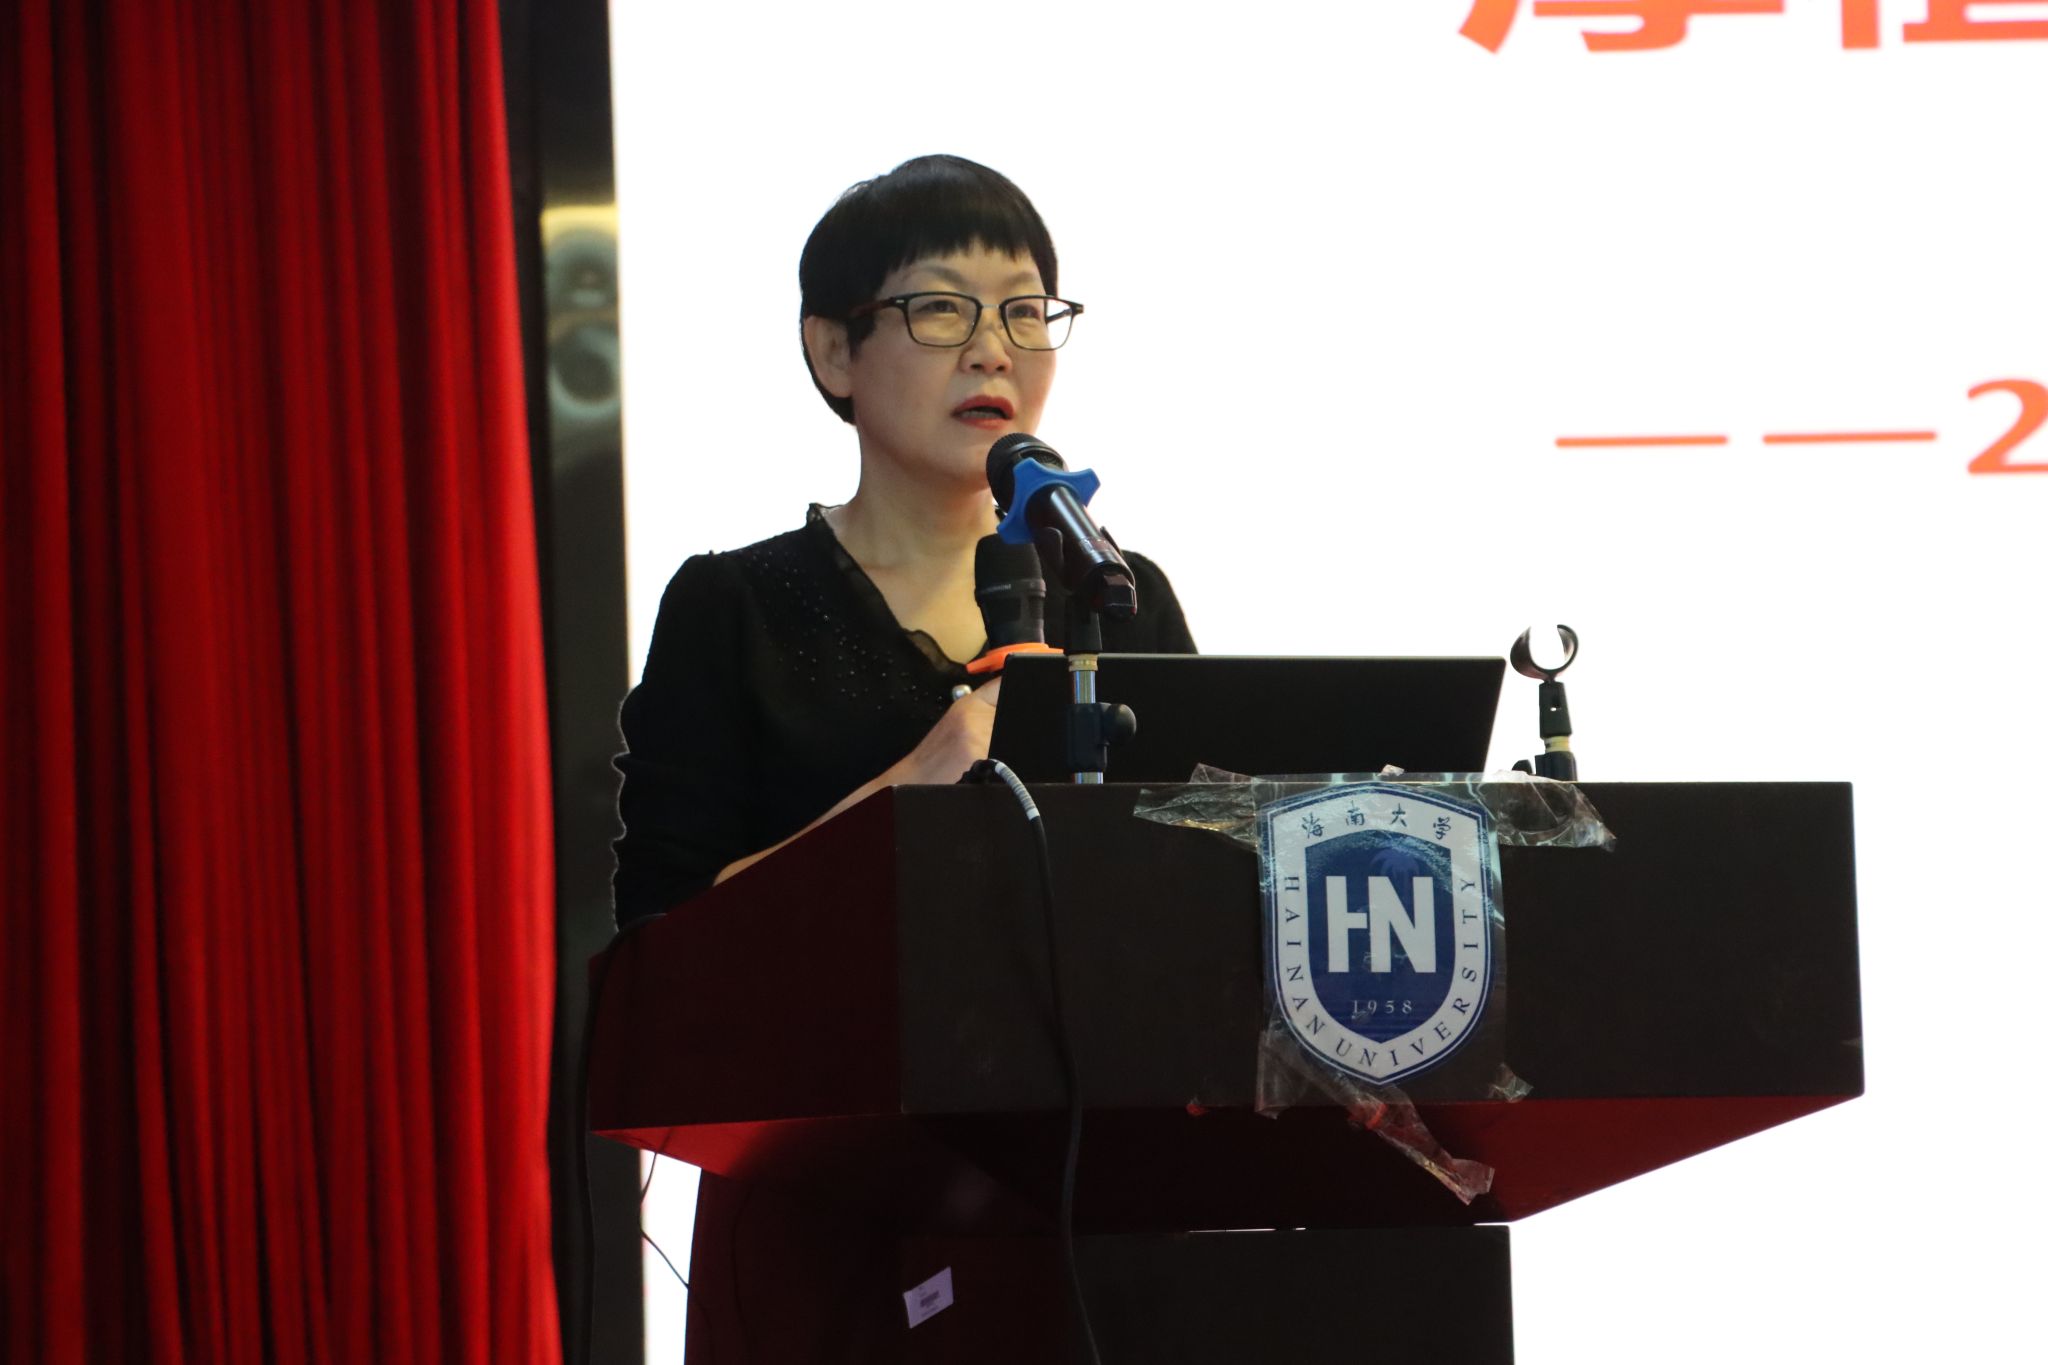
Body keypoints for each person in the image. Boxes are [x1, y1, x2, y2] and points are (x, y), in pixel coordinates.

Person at [611, 154, 1195, 926]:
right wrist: (917, 779)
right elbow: (659, 936)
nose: (994, 350)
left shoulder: (1115, 593)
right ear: (834, 351)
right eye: (943, 307)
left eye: (1024, 311)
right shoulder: (733, 610)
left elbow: (1216, 878)